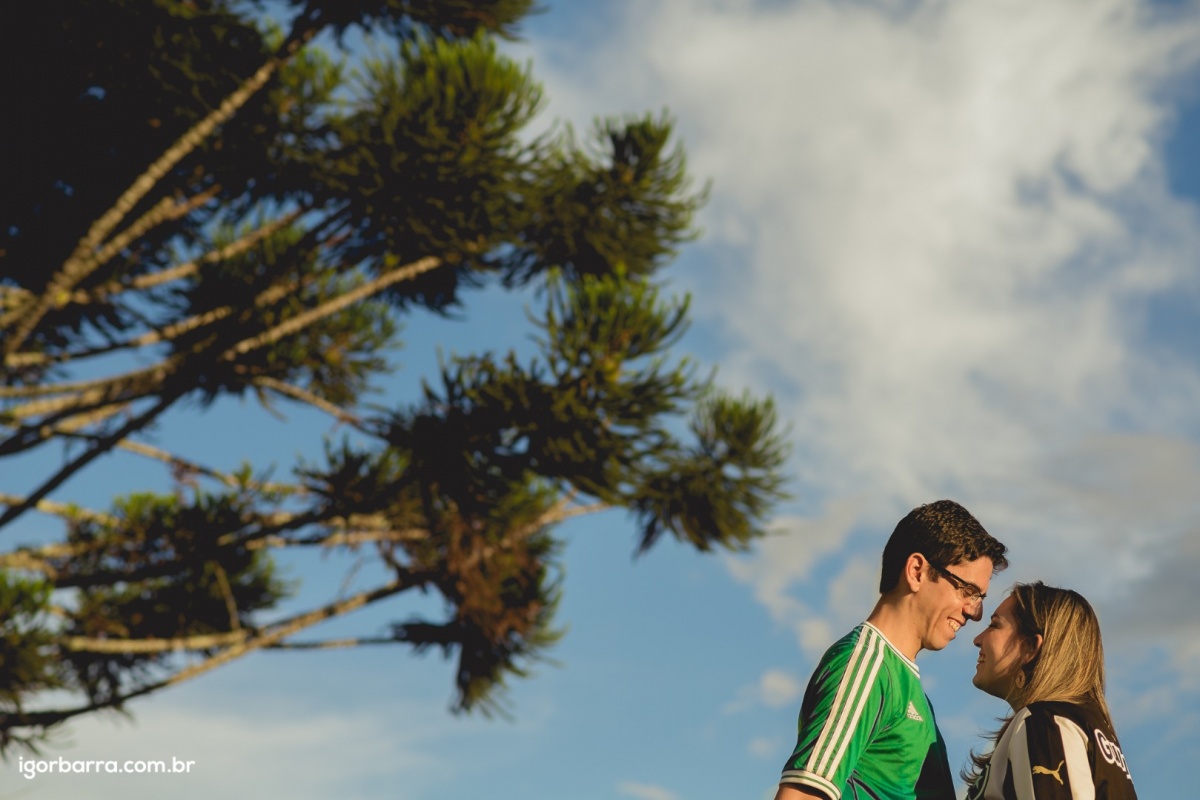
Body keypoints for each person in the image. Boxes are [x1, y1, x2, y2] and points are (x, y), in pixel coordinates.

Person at [776, 500, 1009, 800]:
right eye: (968, 591)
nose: (974, 613)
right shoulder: (866, 665)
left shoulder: (904, 683)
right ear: (916, 571)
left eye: (979, 598)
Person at [964, 581, 1138, 799]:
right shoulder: (1091, 730)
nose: (977, 640)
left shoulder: (1045, 722)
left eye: (994, 625)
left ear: (1029, 648)